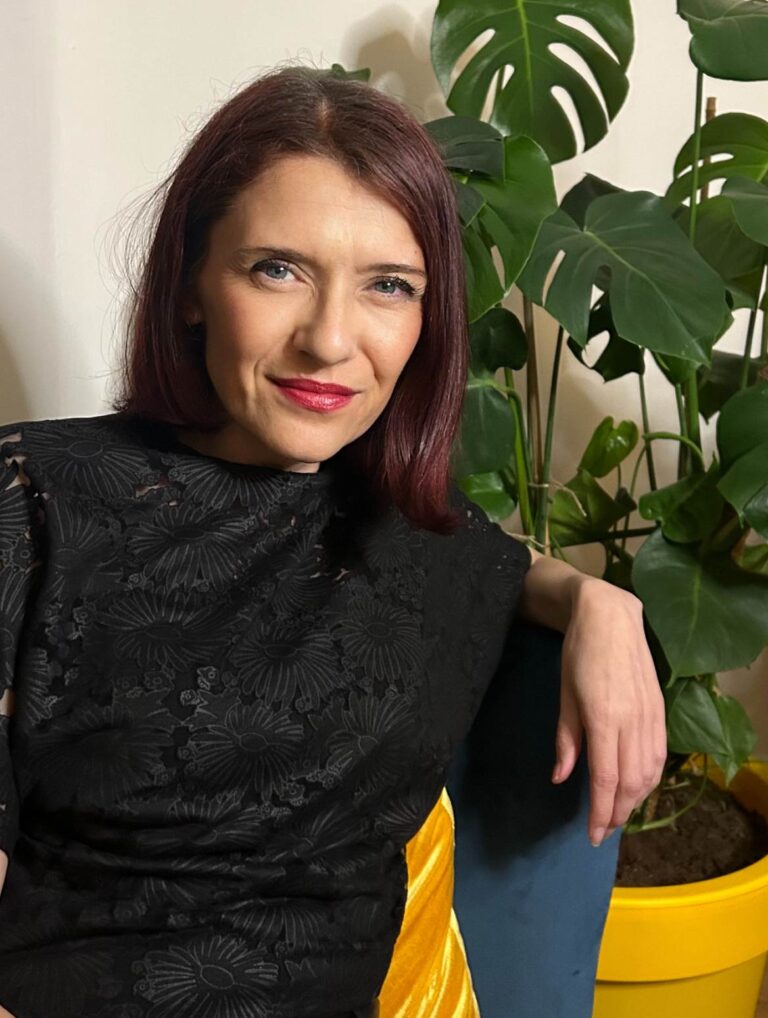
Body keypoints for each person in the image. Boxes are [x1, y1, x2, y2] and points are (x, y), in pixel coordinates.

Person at [0, 65, 666, 1018]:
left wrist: (602, 602)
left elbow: (511, 565)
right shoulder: (36, 496)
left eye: (388, 286)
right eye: (279, 269)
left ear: (426, 321)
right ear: (191, 285)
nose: (329, 339)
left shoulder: (436, 547)